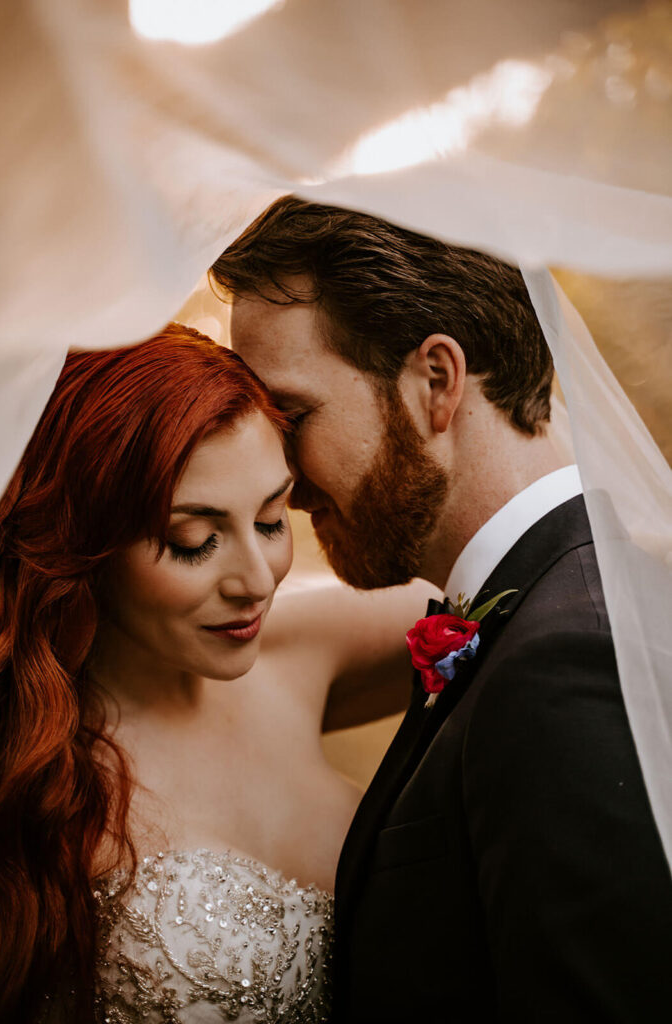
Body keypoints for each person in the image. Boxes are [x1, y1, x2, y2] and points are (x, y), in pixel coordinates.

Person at [210, 196, 672, 1022]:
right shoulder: (543, 605)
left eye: (295, 416)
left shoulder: (564, 660)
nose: (284, 474)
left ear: (434, 381)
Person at [0, 323, 436, 1024]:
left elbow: (543, 574)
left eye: (269, 520)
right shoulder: (28, 764)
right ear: (85, 543)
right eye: (194, 542)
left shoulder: (299, 644)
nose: (256, 581)